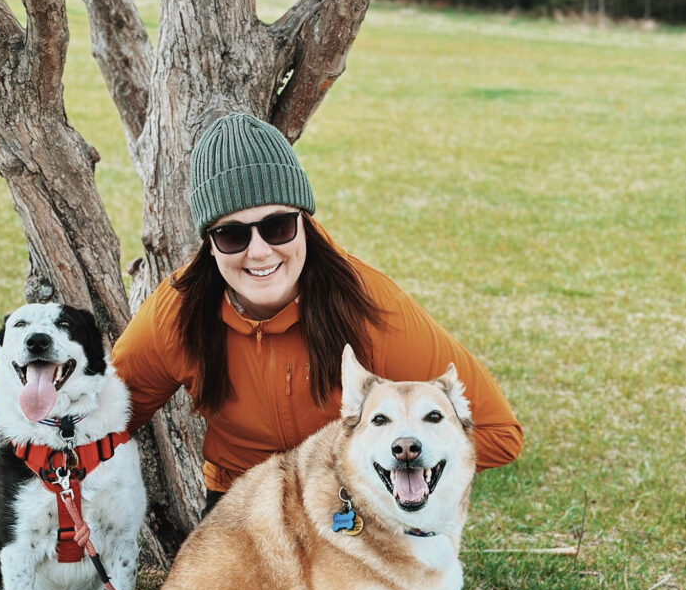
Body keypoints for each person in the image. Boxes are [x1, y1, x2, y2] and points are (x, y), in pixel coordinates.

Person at [112, 113, 521, 515]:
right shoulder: (178, 312)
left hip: (353, 503)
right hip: (244, 507)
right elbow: (100, 422)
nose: (258, 251)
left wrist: (385, 466)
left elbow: (497, 433)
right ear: (210, 243)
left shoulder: (368, 305)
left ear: (304, 222)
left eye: (277, 227)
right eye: (232, 234)